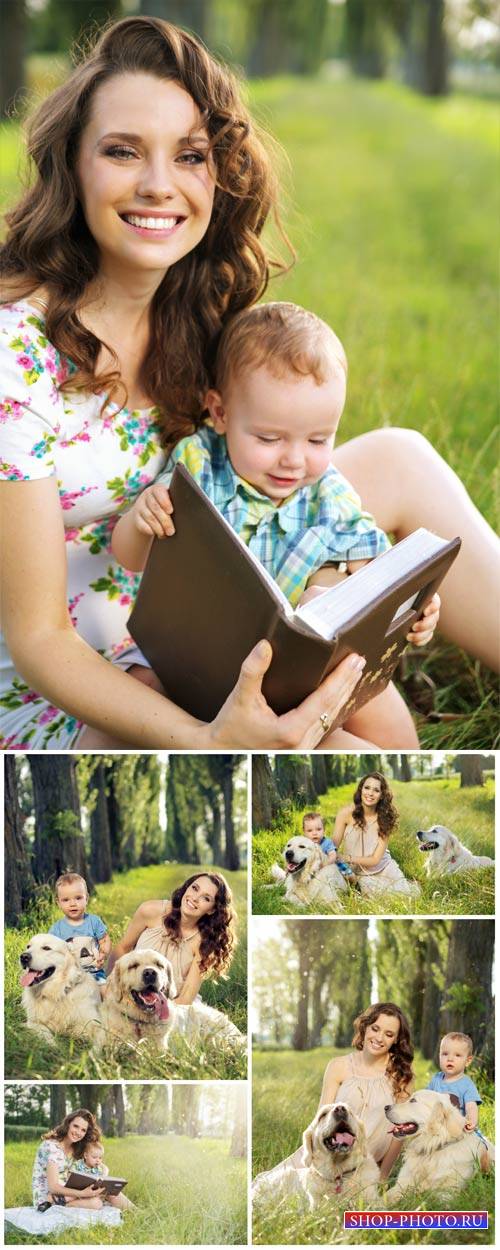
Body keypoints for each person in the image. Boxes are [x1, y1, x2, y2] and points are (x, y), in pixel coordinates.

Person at [1, 17, 498, 752]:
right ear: (72, 165)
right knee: (345, 760)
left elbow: (280, 477)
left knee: (398, 456)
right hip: (88, 687)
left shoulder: (199, 316)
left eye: (190, 156)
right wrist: (208, 738)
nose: (158, 186)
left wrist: (375, 589)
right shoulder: (18, 351)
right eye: (121, 151)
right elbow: (40, 640)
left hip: (215, 636)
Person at [110, 302, 440, 749]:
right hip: (189, 655)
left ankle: (409, 755)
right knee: (134, 688)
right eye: (269, 438)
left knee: (360, 674)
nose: (295, 459)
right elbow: (128, 558)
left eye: (319, 439)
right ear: (221, 413)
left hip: (287, 674)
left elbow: (377, 576)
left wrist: (413, 611)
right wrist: (141, 520)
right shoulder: (200, 465)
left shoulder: (328, 493)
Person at [253, 1002, 414, 1186]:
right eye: (375, 1028)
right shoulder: (338, 1066)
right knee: (268, 1188)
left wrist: (383, 1176)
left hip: (365, 1163)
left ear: (396, 1040)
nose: (379, 1038)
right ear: (365, 1027)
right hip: (328, 1156)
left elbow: (398, 1135)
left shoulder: (402, 1074)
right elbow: (320, 1122)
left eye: (388, 1034)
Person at [108, 871, 243, 1043]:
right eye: (194, 888)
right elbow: (123, 947)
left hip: (173, 1005)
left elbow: (186, 997)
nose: (194, 898)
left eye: (206, 898)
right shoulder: (150, 911)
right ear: (186, 887)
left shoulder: (205, 941)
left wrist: (158, 1014)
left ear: (212, 910)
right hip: (133, 993)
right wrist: (110, 985)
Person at [333, 772, 419, 897]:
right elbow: (332, 847)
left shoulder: (385, 818)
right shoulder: (345, 814)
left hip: (384, 868)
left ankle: (409, 885)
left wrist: (347, 858)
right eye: (367, 788)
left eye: (376, 790)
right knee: (371, 893)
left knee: (406, 895)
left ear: (382, 795)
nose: (370, 793)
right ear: (361, 789)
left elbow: (375, 860)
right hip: (357, 872)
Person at [32, 1111, 106, 1212]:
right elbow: (53, 1187)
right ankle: (56, 1205)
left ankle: (134, 1211)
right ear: (68, 1124)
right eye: (76, 1126)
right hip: (47, 1198)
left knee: (107, 1193)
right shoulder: (51, 1147)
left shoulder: (76, 1148)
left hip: (69, 1193)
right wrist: (83, 1194)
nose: (78, 1132)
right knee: (96, 1203)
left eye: (83, 1130)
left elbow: (94, 1165)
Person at [426, 1032, 488, 1146]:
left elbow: (471, 1106)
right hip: (436, 1128)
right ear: (439, 1055)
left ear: (468, 1061)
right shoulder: (436, 1079)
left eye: (457, 1055)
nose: (450, 1059)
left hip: (456, 1130)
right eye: (445, 1054)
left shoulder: (467, 1084)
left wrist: (471, 1120)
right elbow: (426, 1098)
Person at [48, 872, 110, 980]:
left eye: (78, 898)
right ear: (58, 903)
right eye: (66, 900)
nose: (72, 903)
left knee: (102, 991)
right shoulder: (56, 929)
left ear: (86, 899)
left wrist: (103, 953)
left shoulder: (94, 921)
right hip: (68, 975)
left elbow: (104, 940)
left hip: (94, 972)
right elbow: (51, 951)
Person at [73, 1140, 135, 1211]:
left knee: (111, 1195)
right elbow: (71, 1176)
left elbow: (101, 1181)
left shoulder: (99, 1169)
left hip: (94, 1194)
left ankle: (134, 1211)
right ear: (85, 1155)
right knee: (96, 1203)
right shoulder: (78, 1164)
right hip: (80, 1193)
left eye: (100, 1158)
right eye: (94, 1157)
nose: (98, 1160)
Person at [301, 810, 353, 878]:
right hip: (312, 866)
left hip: (330, 864)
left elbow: (332, 855)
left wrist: (325, 864)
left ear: (324, 830)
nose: (314, 833)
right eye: (310, 830)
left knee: (348, 874)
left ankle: (354, 882)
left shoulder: (326, 842)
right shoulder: (304, 844)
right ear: (304, 831)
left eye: (318, 829)